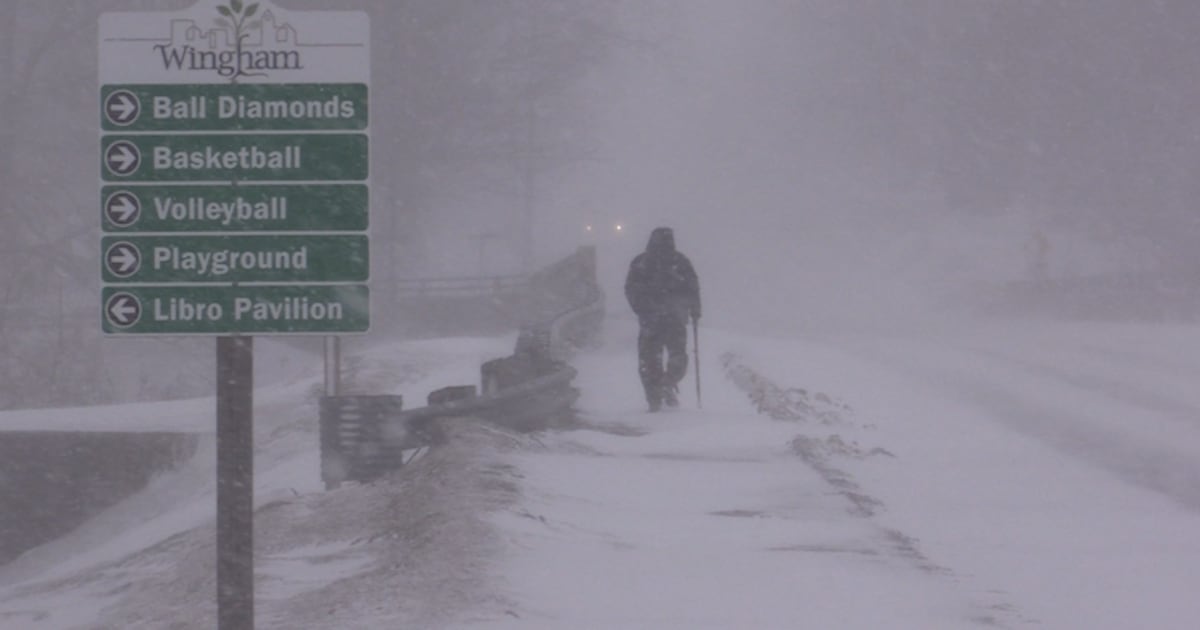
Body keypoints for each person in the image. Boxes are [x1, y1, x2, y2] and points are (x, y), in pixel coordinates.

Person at [625, 227, 701, 411]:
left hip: (651, 319)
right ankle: (667, 383)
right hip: (674, 318)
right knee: (677, 355)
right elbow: (693, 287)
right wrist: (695, 309)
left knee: (649, 359)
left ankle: (655, 397)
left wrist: (641, 308)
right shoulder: (680, 261)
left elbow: (631, 289)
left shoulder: (641, 262)